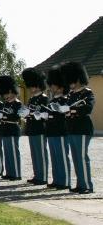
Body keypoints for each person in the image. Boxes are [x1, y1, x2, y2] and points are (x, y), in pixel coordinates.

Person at [61, 61, 95, 194]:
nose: (71, 84)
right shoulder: (71, 94)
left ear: (79, 79)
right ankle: (80, 184)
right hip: (71, 128)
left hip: (82, 128)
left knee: (81, 157)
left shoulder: (87, 93)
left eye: (72, 81)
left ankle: (87, 185)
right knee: (75, 158)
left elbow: (88, 108)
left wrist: (72, 110)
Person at [45, 66, 71, 190]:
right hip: (51, 131)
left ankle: (65, 181)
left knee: (62, 157)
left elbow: (64, 115)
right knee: (54, 157)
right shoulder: (51, 101)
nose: (51, 87)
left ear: (60, 86)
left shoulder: (65, 99)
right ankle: (57, 179)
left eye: (53, 85)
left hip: (60, 130)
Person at [22, 68, 49, 185]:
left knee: (41, 153)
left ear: (38, 85)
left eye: (33, 85)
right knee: (34, 154)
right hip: (32, 128)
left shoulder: (44, 98)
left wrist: (33, 114)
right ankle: (37, 174)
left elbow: (45, 114)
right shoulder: (32, 99)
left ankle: (42, 177)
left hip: (40, 128)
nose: (31, 88)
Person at [0, 75, 22, 181]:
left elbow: (16, 116)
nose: (6, 96)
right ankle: (10, 172)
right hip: (5, 129)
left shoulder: (17, 103)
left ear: (11, 92)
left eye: (7, 93)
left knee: (14, 152)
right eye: (4, 94)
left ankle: (16, 173)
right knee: (7, 152)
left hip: (12, 128)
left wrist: (5, 115)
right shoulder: (5, 104)